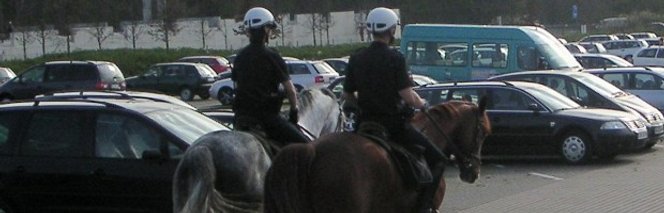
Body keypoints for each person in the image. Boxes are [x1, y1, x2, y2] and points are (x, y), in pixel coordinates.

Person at [342, 7, 447, 213]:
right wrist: (422, 104)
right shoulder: (395, 58)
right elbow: (408, 95)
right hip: (393, 126)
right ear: (391, 31)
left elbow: (347, 95)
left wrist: (361, 105)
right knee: (438, 160)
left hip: (364, 125)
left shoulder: (357, 58)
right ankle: (424, 207)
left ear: (371, 30)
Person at [231, 7, 307, 146]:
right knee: (306, 146)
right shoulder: (272, 56)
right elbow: (290, 90)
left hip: (241, 119)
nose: (271, 31)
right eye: (270, 28)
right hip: (267, 119)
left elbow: (237, 86)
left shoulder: (240, 57)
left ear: (248, 32)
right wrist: (293, 111)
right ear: (266, 30)